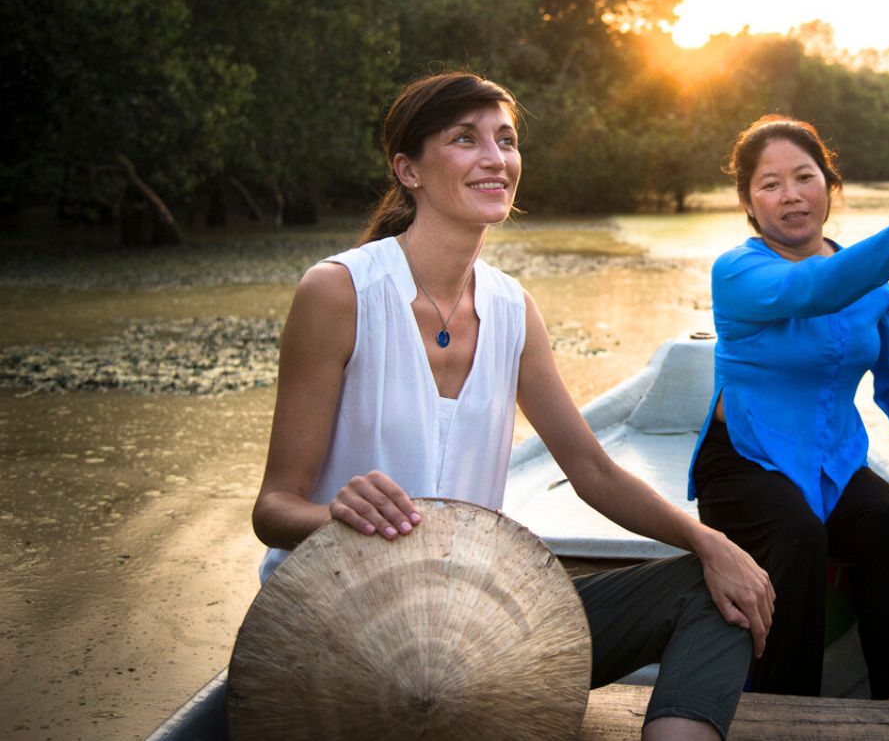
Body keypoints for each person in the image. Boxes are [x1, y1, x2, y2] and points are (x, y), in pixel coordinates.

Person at [251, 71, 774, 741]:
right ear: (407, 169)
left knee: (714, 591)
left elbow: (593, 471)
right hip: (343, 626)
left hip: (471, 627)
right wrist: (335, 516)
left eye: (506, 140)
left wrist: (710, 542)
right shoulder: (339, 293)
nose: (495, 158)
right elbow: (273, 509)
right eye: (465, 140)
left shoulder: (511, 309)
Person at [687, 115, 889, 700]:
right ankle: (781, 706)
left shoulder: (869, 283)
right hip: (747, 462)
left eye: (804, 177)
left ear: (830, 185)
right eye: (769, 184)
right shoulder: (739, 271)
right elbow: (815, 289)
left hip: (832, 462)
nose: (791, 195)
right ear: (748, 202)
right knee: (799, 537)